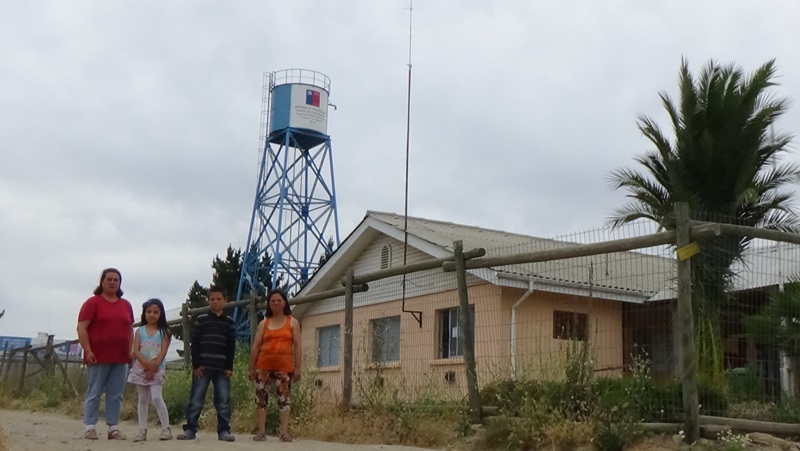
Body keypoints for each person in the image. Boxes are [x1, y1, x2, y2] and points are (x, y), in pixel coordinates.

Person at [77, 268, 134, 440]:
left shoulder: (126, 305)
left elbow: (130, 329)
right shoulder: (92, 303)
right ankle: (90, 426)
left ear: (120, 283)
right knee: (94, 391)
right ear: (102, 282)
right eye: (109, 279)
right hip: (98, 355)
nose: (112, 282)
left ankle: (113, 428)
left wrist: (130, 350)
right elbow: (82, 328)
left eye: (116, 280)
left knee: (116, 394)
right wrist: (87, 349)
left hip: (121, 356)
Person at [177, 285, 237, 442]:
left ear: (225, 300)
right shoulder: (201, 320)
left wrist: (229, 366)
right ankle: (190, 429)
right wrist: (196, 365)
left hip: (222, 368)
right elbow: (194, 344)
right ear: (208, 300)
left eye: (219, 299)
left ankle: (224, 430)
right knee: (196, 399)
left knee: (223, 400)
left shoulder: (229, 322)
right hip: (203, 367)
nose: (215, 302)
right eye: (212, 299)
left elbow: (231, 345)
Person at [248, 288, 302, 442]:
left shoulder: (292, 322)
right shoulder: (263, 323)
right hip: (263, 367)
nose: (276, 303)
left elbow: (297, 346)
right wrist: (252, 368)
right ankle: (261, 432)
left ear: (285, 302)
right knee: (261, 399)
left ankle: (284, 432)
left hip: (284, 368)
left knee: (284, 400)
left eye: (279, 300)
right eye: (272, 301)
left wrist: (298, 367)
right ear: (269, 304)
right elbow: (256, 346)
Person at [128, 298, 172, 441]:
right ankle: (142, 429)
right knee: (142, 399)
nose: (152, 314)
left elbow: (163, 351)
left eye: (155, 312)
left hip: (157, 369)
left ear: (161, 314)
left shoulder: (164, 332)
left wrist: (154, 367)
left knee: (156, 397)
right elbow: (136, 350)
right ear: (144, 313)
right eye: (149, 312)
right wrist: (146, 364)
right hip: (141, 368)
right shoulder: (139, 331)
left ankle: (166, 428)